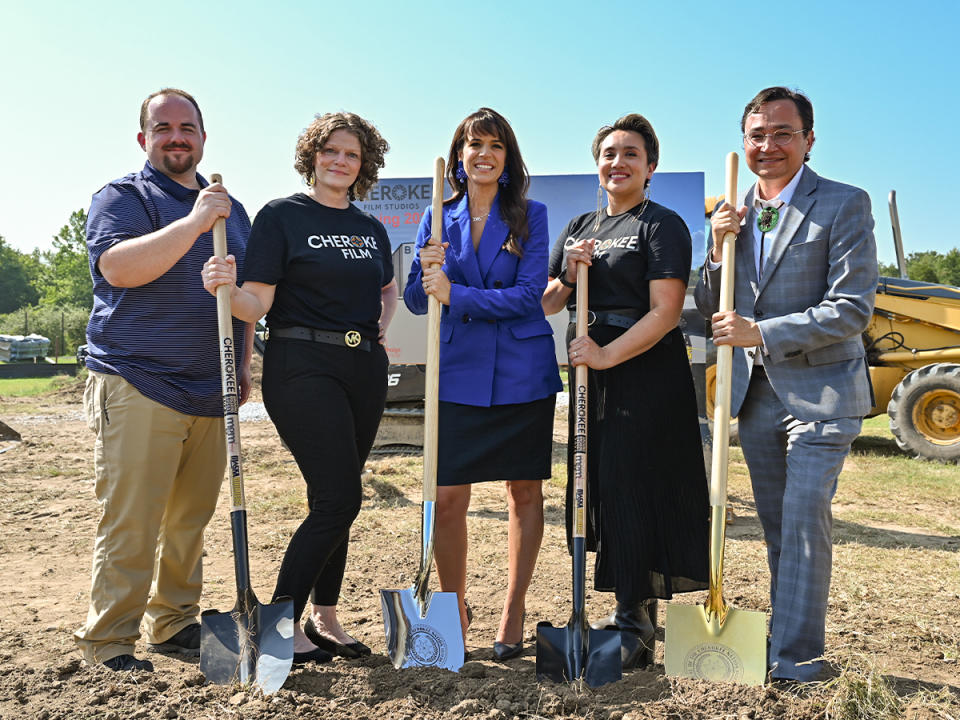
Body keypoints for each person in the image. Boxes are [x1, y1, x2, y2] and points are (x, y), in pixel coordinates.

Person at [694, 87, 878, 682]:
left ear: (809, 140)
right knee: (775, 525)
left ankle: (797, 657)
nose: (767, 145)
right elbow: (705, 304)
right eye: (757, 135)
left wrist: (761, 331)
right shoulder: (730, 212)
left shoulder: (844, 204)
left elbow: (852, 308)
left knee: (802, 518)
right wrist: (718, 253)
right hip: (755, 397)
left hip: (822, 393)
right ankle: (781, 635)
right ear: (743, 142)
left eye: (782, 133)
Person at [202, 112, 395, 665]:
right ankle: (277, 624)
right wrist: (226, 288)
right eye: (331, 150)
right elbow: (256, 302)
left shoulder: (370, 229)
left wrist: (380, 321)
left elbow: (386, 286)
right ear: (313, 154)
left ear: (364, 165)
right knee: (340, 497)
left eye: (352, 155)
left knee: (336, 499)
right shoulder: (282, 216)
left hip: (363, 368)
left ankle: (326, 617)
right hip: (302, 364)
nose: (341, 161)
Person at [75, 88, 254, 672]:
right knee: (132, 519)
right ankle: (110, 640)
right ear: (143, 138)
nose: (177, 137)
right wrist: (197, 220)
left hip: (208, 385)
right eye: (163, 128)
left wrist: (244, 364)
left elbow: (240, 294)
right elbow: (120, 268)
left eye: (187, 128)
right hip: (136, 381)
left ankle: (174, 620)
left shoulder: (234, 209)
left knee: (189, 520)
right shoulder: (124, 197)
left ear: (204, 137)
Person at [542, 114, 710, 669]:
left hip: (644, 371)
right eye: (610, 153)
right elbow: (547, 303)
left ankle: (634, 618)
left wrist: (606, 354)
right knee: (601, 483)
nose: (619, 162)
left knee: (638, 482)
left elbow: (664, 313)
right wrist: (569, 273)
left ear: (650, 166)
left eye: (631, 154)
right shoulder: (580, 225)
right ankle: (616, 609)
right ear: (598, 163)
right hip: (591, 372)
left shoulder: (661, 226)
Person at [403, 108, 562, 661]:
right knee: (447, 500)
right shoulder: (435, 215)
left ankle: (513, 607)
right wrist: (426, 272)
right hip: (457, 378)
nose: (484, 155)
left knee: (523, 493)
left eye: (494, 145)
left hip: (521, 375)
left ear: (508, 157)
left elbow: (527, 296)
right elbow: (415, 300)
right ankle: (453, 607)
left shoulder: (531, 215)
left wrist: (457, 294)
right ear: (458, 156)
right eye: (473, 145)